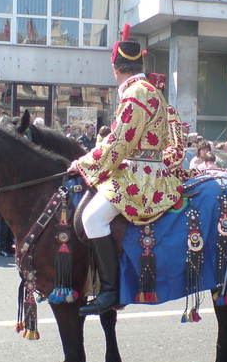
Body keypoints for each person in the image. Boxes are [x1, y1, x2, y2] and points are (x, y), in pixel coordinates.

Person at [67, 25, 186, 316]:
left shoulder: (135, 94)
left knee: (92, 219)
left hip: (140, 175)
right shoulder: (149, 90)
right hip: (143, 168)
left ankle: (109, 291)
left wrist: (83, 163)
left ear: (115, 68)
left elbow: (119, 142)